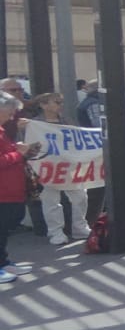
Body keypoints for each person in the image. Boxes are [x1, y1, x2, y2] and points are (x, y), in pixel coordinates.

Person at [21, 94, 91, 246]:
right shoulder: (35, 123)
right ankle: (55, 232)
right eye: (57, 102)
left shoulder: (66, 121)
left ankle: (79, 227)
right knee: (51, 201)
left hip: (68, 165)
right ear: (44, 105)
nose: (60, 105)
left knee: (80, 196)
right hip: (46, 166)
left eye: (61, 102)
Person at [0, 93, 41, 284]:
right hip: (3, 190)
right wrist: (18, 153)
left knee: (5, 228)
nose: (11, 117)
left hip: (10, 189)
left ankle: (3, 261)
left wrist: (17, 150)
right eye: (9, 112)